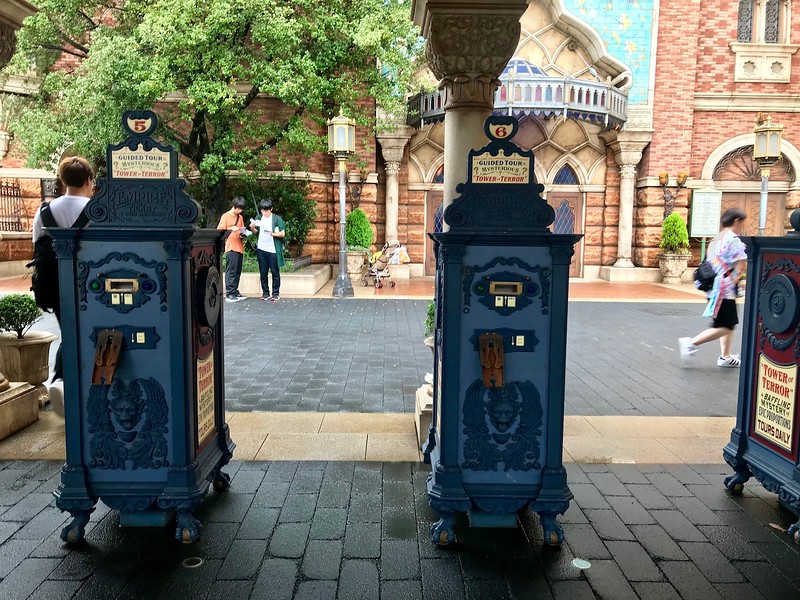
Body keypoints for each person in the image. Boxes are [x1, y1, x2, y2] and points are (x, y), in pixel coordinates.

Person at [31, 156, 94, 416]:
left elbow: (37, 248)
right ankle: (67, 382)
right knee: (90, 334)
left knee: (70, 329)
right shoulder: (97, 210)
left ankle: (65, 383)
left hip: (56, 285)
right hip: (92, 284)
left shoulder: (44, 211)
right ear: (89, 180)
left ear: (62, 180)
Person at [679, 208, 748, 368]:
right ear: (736, 221)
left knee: (727, 324)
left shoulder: (716, 239)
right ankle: (691, 343)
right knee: (725, 326)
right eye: (742, 222)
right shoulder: (734, 240)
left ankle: (726, 356)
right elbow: (742, 265)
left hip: (714, 288)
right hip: (725, 290)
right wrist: (742, 281)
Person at [249, 198, 286, 302]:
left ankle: (275, 293)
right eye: (262, 210)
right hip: (261, 248)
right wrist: (252, 227)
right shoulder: (259, 217)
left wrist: (272, 234)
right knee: (263, 272)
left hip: (273, 249)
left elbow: (282, 233)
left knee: (275, 272)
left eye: (266, 210)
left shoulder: (277, 219)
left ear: (271, 209)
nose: (264, 212)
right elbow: (256, 232)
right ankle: (265, 292)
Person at [216, 196, 248, 303]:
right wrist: (230, 228)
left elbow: (242, 230)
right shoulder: (225, 216)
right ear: (234, 207)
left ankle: (235, 291)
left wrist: (244, 234)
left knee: (237, 271)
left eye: (241, 209)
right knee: (231, 271)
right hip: (231, 246)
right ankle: (229, 293)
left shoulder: (241, 217)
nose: (240, 210)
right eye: (239, 208)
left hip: (239, 246)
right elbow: (219, 230)